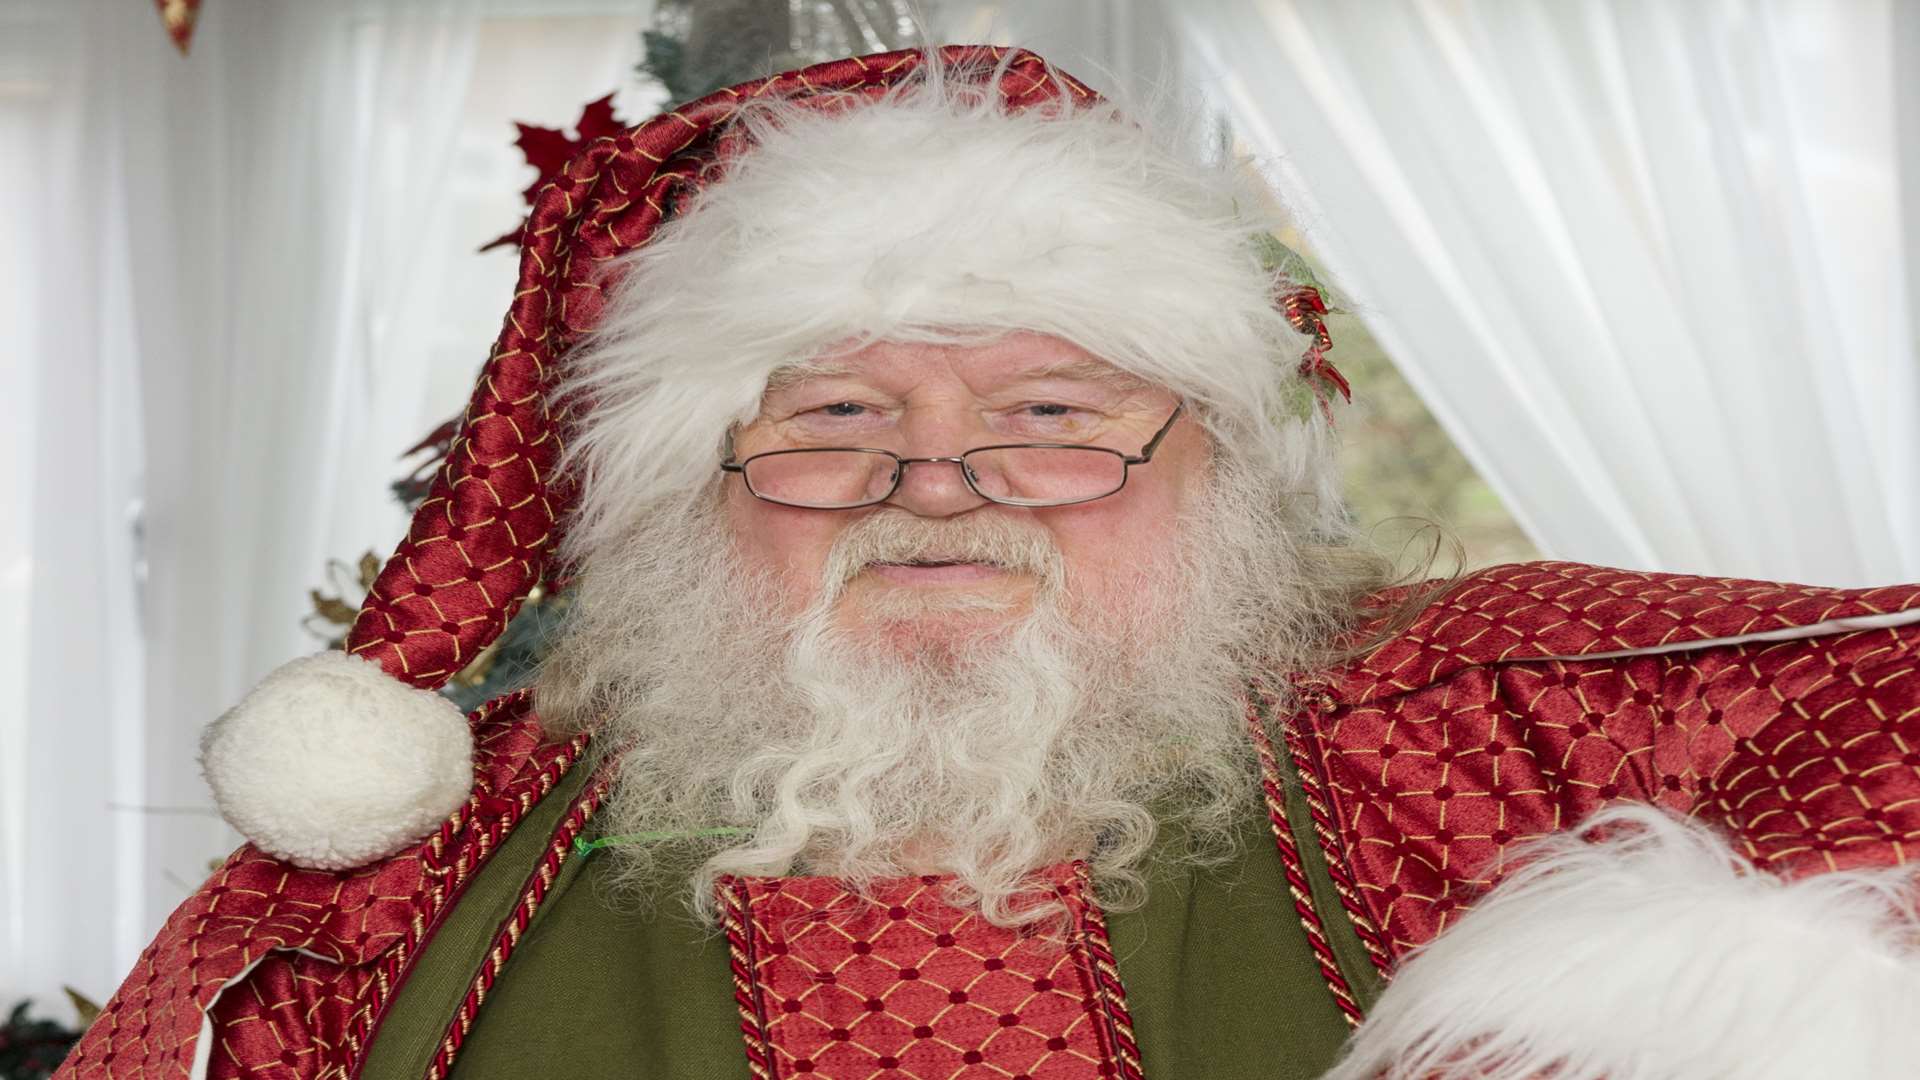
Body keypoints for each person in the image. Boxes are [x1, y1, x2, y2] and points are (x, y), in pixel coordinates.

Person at [58, 46, 1920, 1080]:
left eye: (1052, 414)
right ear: (684, 498)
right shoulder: (416, 868)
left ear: (1224, 470)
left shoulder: (1472, 718)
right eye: (834, 422)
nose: (938, 489)